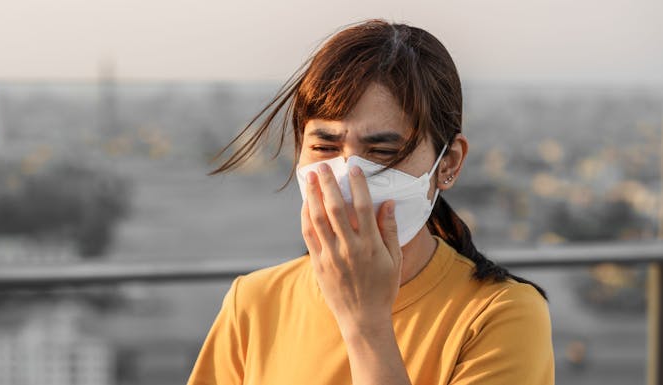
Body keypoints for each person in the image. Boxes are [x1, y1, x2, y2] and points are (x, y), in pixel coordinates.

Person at [186, 19, 554, 385]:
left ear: (449, 163)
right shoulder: (254, 302)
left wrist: (366, 325)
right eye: (325, 147)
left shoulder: (500, 316)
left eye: (382, 151)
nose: (349, 174)